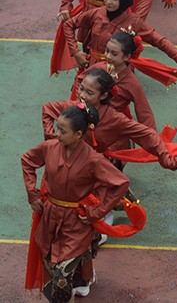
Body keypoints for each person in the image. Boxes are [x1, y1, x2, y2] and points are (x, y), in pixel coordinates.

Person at [22, 103, 130, 302]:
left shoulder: (93, 160)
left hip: (76, 223)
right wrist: (33, 194)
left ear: (79, 134)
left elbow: (121, 183)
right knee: (49, 262)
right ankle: (83, 274)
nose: (57, 134)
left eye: (63, 131)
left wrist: (97, 211)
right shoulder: (49, 148)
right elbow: (27, 161)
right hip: (50, 218)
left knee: (60, 277)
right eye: (57, 129)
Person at [42, 68, 177, 171]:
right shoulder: (73, 106)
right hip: (66, 164)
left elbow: (147, 134)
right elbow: (47, 109)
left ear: (103, 96)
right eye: (81, 89)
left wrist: (169, 161)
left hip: (93, 169)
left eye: (89, 93)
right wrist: (51, 137)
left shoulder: (114, 119)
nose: (82, 95)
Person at [63, 0, 177, 79]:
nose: (108, 1)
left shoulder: (134, 22)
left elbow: (159, 40)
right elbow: (69, 24)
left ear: (125, 0)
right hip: (92, 72)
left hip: (117, 76)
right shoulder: (97, 13)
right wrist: (76, 52)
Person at [73, 31, 157, 128]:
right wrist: (81, 100)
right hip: (89, 120)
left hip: (112, 126)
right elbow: (80, 79)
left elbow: (144, 113)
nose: (108, 56)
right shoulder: (99, 67)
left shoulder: (132, 83)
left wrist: (151, 139)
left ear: (127, 56)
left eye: (114, 53)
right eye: (107, 51)